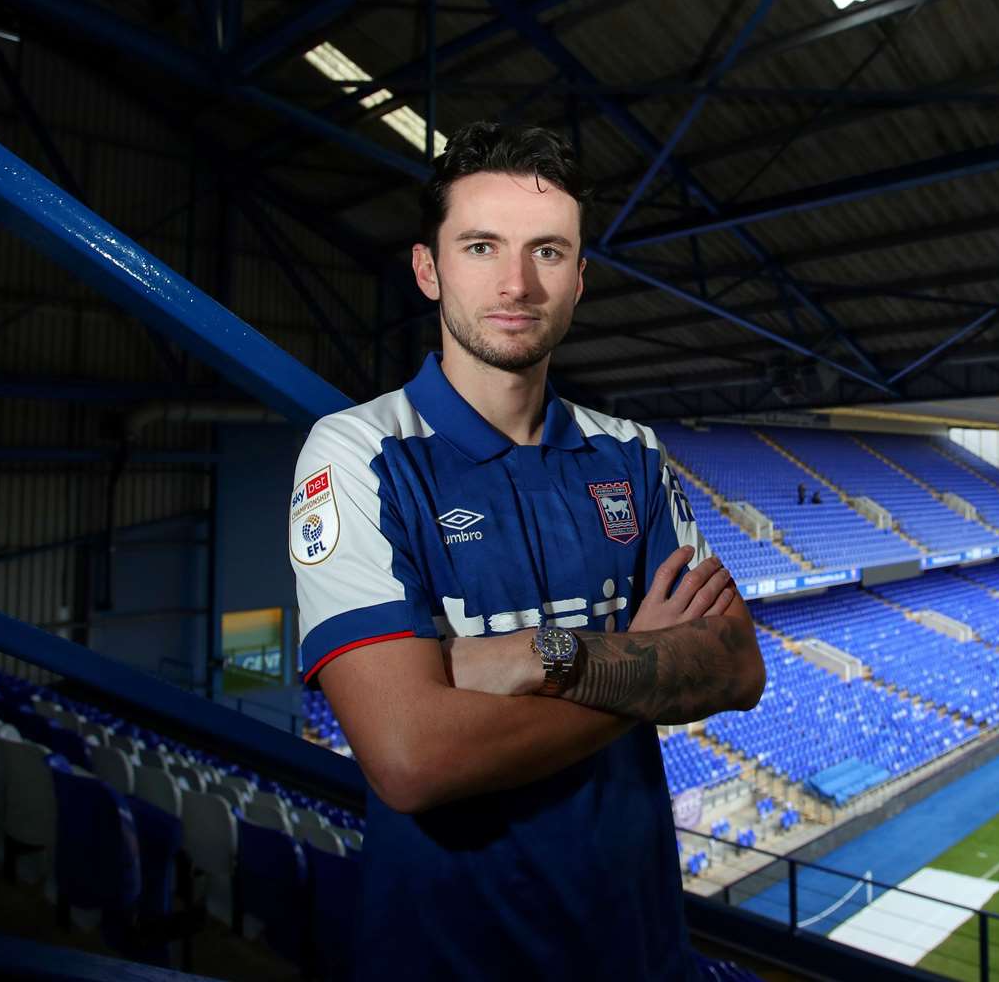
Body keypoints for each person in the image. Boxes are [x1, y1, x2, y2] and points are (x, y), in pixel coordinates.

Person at [288, 121, 765, 980]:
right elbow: (413, 758)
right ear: (429, 269)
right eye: (481, 246)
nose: (516, 283)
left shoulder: (631, 453)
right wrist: (644, 668)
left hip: (643, 954)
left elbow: (734, 670)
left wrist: (530, 656)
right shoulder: (359, 452)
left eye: (548, 251)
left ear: (579, 279)